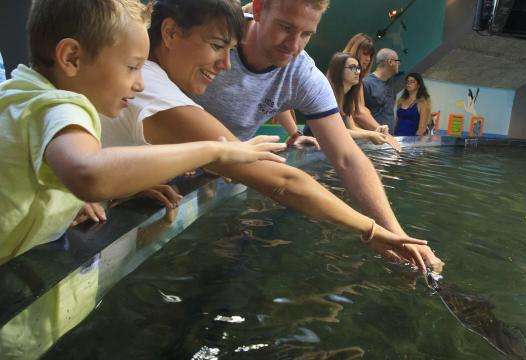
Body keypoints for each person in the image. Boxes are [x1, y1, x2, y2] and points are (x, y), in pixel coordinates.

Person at [101, 0, 439, 272]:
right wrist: (370, 231)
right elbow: (280, 181)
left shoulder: (301, 73)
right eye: (286, 27)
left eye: (307, 34)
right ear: (258, 10)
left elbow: (348, 157)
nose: (226, 65)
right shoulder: (157, 75)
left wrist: (396, 233)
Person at [0, 0, 289, 265]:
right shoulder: (62, 107)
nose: (139, 85)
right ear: (72, 57)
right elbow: (89, 174)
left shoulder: (20, 95)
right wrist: (215, 150)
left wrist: (102, 190)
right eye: (132, 67)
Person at [303, 52, 387, 144]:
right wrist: (369, 135)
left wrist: (375, 133)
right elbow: (335, 132)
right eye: (352, 68)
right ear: (338, 70)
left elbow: (351, 128)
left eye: (358, 68)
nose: (357, 72)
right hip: (312, 149)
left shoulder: (347, 98)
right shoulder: (325, 95)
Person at [362, 48, 401, 131]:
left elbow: (389, 108)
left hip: (389, 138)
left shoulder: (390, 82)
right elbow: (359, 114)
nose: (399, 64)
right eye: (397, 61)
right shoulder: (366, 83)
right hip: (371, 139)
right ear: (390, 62)